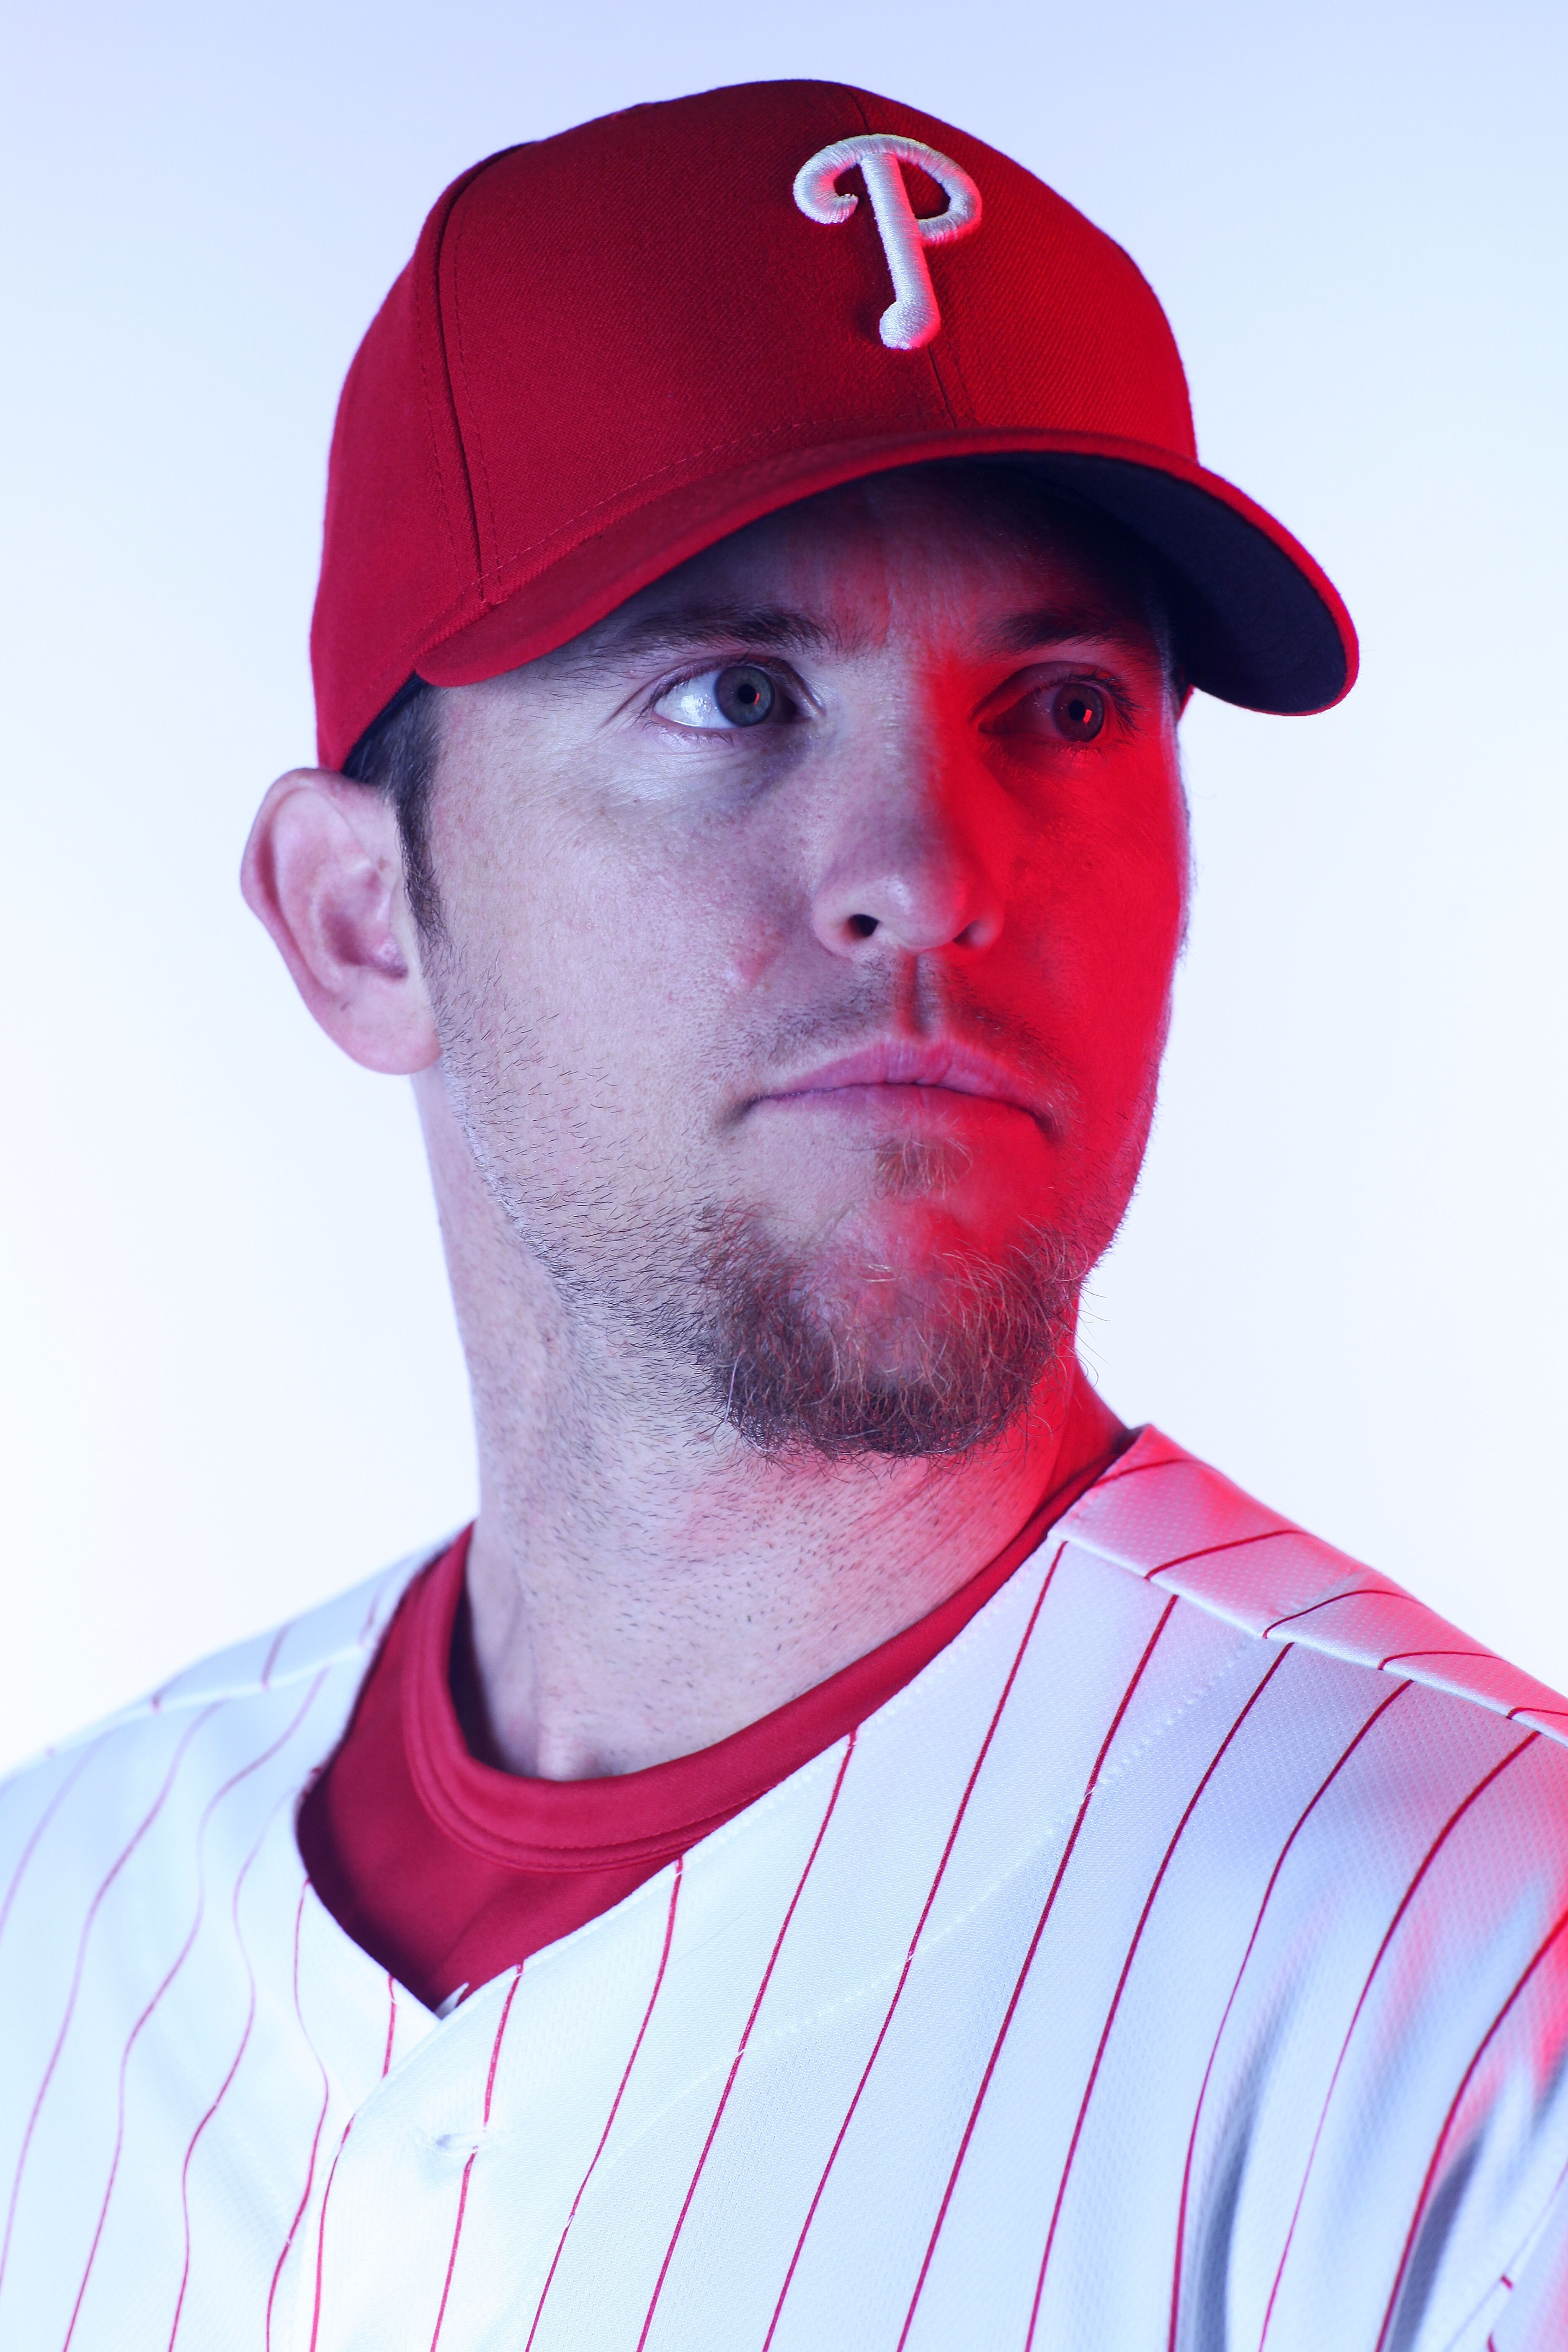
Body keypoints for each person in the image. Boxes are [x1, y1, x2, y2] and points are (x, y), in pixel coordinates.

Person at [1, 77, 1565, 2352]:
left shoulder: (1487, 1992)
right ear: (364, 924)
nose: (930, 871)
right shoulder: (51, 1924)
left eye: (1059, 705)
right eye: (734, 695)